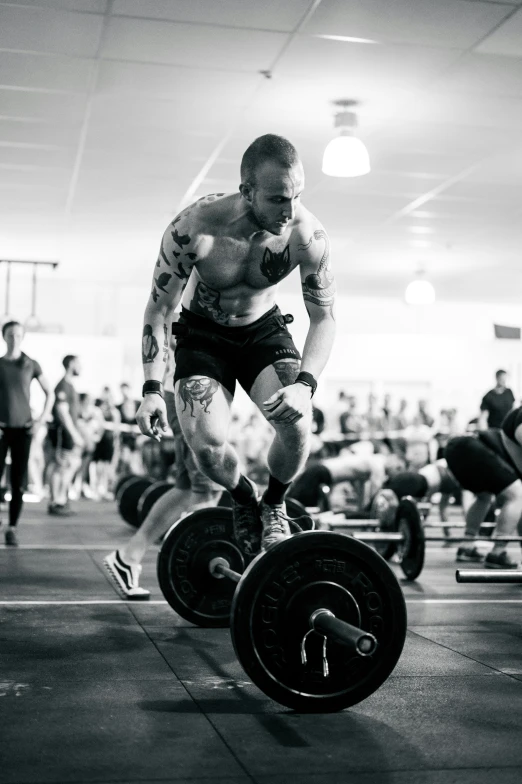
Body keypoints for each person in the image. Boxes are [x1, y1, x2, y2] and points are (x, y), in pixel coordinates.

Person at [136, 134, 336, 554]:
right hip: (203, 334)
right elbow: (158, 311)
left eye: (297, 196)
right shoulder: (194, 229)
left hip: (262, 329)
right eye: (279, 199)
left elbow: (324, 318)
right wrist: (152, 390)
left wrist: (305, 384)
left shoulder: (307, 234)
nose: (290, 210)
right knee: (207, 449)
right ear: (247, 191)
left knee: (298, 423)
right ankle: (244, 499)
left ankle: (274, 504)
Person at [104, 342, 222, 598]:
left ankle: (128, 557)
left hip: (183, 393)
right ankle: (202, 582)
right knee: (207, 491)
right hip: (191, 396)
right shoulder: (191, 303)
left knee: (185, 489)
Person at [444, 417, 522, 569]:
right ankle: (497, 552)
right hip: (473, 446)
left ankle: (467, 546)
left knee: (484, 496)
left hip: (458, 448)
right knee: (517, 495)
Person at [0, 320, 52, 545]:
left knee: (18, 481)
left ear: (23, 337)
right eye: (11, 334)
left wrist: (40, 420)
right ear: (4, 337)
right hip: (2, 429)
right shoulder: (0, 364)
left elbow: (49, 393)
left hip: (24, 430)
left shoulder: (30, 364)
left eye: (19, 334)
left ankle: (11, 527)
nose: (15, 338)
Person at [290, 450, 406, 513]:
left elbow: (362, 489)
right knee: (295, 508)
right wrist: (367, 512)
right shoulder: (378, 463)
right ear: (393, 458)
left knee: (299, 509)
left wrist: (360, 510)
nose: (396, 473)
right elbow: (376, 491)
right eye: (398, 468)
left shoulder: (371, 462)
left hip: (320, 472)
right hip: (319, 473)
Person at [46, 355, 83, 516]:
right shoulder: (63, 386)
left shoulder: (69, 386)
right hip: (64, 434)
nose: (81, 367)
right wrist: (74, 435)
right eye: (79, 364)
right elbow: (62, 412)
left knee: (67, 465)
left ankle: (59, 499)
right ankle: (57, 501)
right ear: (71, 364)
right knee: (62, 466)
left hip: (68, 433)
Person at [92, 387, 120, 500]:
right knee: (99, 466)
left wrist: (116, 444)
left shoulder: (114, 412)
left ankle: (106, 489)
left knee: (108, 467)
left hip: (110, 442)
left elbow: (116, 430)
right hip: (100, 442)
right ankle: (98, 488)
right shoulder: (99, 410)